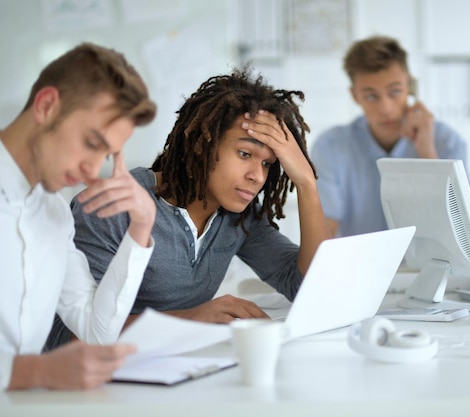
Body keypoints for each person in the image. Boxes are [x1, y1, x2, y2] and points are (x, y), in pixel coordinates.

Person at [46, 68, 331, 349]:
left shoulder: (240, 215)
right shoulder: (114, 205)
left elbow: (306, 286)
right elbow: (70, 338)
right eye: (245, 154)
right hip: (88, 383)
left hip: (178, 369)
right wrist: (191, 319)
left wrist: (307, 183)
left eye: (267, 163)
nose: (257, 175)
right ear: (202, 146)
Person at [0, 43, 157, 390]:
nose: (92, 170)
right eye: (91, 142)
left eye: (105, 154)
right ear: (46, 106)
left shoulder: (55, 212)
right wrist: (35, 373)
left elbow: (96, 333)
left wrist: (142, 225)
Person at [310, 35, 468, 237]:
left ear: (410, 88)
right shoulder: (330, 147)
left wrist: (427, 151)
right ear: (355, 96)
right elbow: (325, 231)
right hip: (361, 265)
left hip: (430, 267)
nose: (385, 108)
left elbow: (460, 227)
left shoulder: (447, 142)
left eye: (394, 91)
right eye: (371, 96)